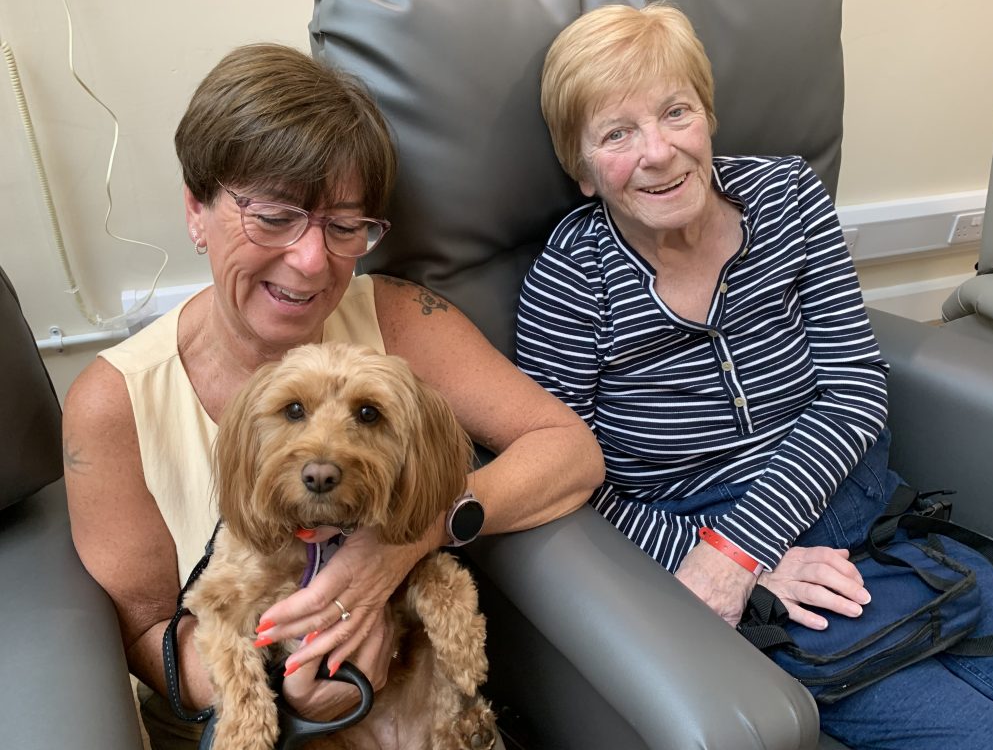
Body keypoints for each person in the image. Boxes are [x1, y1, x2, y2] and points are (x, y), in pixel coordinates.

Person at [63, 43, 603, 750]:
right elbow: (138, 634)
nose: (313, 261)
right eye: (274, 216)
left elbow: (569, 452)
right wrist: (292, 682)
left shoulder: (401, 319)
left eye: (345, 225)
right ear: (196, 210)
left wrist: (407, 542)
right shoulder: (113, 402)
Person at [516, 2, 993, 750]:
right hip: (705, 548)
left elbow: (854, 391)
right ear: (582, 171)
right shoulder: (570, 282)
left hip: (860, 509)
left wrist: (741, 549)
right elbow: (571, 480)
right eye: (616, 134)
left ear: (709, 116)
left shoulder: (788, 196)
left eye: (675, 111)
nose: (658, 152)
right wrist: (731, 563)